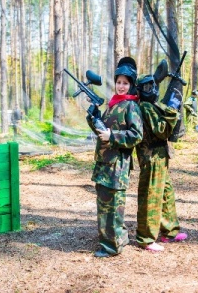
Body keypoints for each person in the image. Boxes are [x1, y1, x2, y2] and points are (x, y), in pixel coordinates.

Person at [86, 57, 143, 257]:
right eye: (119, 82)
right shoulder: (113, 104)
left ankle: (112, 246)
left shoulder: (131, 106)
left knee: (113, 206)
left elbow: (137, 135)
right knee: (104, 203)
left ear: (131, 85)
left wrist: (113, 136)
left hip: (118, 164)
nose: (121, 86)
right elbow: (101, 131)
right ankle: (117, 238)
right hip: (104, 162)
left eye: (125, 83)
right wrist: (93, 117)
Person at [135, 74, 188, 252]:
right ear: (140, 90)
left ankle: (169, 231)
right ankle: (146, 238)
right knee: (151, 196)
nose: (152, 90)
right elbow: (162, 130)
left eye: (153, 86)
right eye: (147, 87)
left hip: (159, 156)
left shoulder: (151, 105)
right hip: (151, 157)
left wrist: (170, 107)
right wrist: (172, 109)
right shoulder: (145, 106)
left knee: (166, 194)